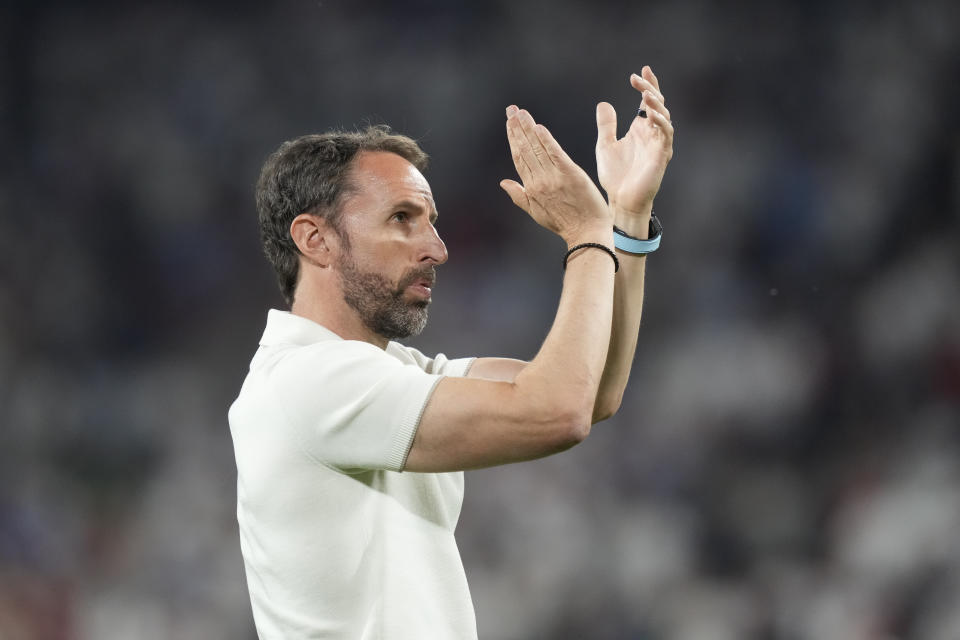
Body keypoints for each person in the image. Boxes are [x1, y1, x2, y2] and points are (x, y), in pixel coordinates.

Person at [228, 65, 673, 639]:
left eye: (431, 222)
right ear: (315, 239)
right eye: (401, 219)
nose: (437, 248)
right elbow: (556, 410)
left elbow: (591, 395)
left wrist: (624, 222)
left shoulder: (388, 374)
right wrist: (587, 234)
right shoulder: (306, 381)